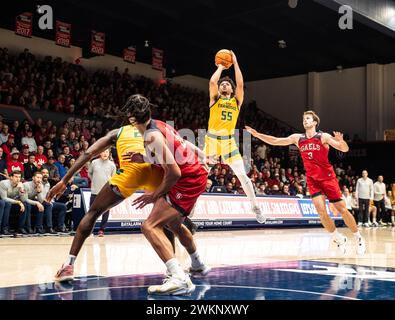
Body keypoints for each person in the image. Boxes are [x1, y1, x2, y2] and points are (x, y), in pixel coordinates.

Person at [47, 97, 201, 283]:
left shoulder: (117, 133)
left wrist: (65, 180)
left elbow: (88, 153)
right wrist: (201, 154)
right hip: (156, 173)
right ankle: (173, 268)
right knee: (165, 222)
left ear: (130, 118)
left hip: (131, 172)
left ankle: (68, 265)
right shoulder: (157, 127)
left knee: (93, 212)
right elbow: (181, 144)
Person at [246, 110, 366, 255]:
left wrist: (341, 141)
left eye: (308, 118)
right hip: (312, 179)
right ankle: (338, 238)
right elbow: (276, 141)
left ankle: (358, 237)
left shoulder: (323, 136)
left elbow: (344, 149)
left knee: (342, 209)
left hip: (328, 178)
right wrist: (258, 134)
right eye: (304, 119)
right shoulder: (298, 138)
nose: (305, 121)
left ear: (315, 122)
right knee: (321, 212)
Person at [123, 94, 209, 296]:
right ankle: (198, 264)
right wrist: (143, 157)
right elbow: (179, 148)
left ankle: (179, 278)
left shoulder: (151, 136)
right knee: (173, 224)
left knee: (149, 226)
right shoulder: (159, 124)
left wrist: (155, 195)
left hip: (187, 181)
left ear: (131, 118)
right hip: (195, 175)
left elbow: (174, 172)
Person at [205, 51, 265, 224]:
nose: (224, 85)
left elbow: (240, 83)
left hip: (228, 143)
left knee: (243, 176)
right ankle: (189, 208)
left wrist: (236, 63)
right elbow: (212, 82)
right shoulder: (214, 99)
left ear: (231, 90)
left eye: (227, 84)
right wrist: (220, 67)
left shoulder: (236, 102)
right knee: (201, 177)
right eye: (222, 84)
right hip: (210, 141)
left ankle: (255, 207)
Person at [88, 149, 116, 236]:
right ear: (100, 153)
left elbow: (114, 178)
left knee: (105, 212)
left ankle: (101, 229)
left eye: (107, 152)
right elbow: (90, 174)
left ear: (109, 154)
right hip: (95, 191)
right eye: (103, 151)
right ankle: (89, 230)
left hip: (106, 192)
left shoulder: (112, 165)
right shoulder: (94, 163)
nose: (105, 153)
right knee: (91, 212)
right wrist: (95, 181)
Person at [0, 170, 28, 235]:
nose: (18, 179)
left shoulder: (21, 185)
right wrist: (18, 202)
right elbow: (4, 198)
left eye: (19, 177)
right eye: (16, 177)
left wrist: (21, 190)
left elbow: (24, 199)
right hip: (3, 201)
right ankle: (4, 228)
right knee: (7, 204)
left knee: (25, 205)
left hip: (11, 202)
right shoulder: (3, 183)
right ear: (11, 177)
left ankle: (20, 228)